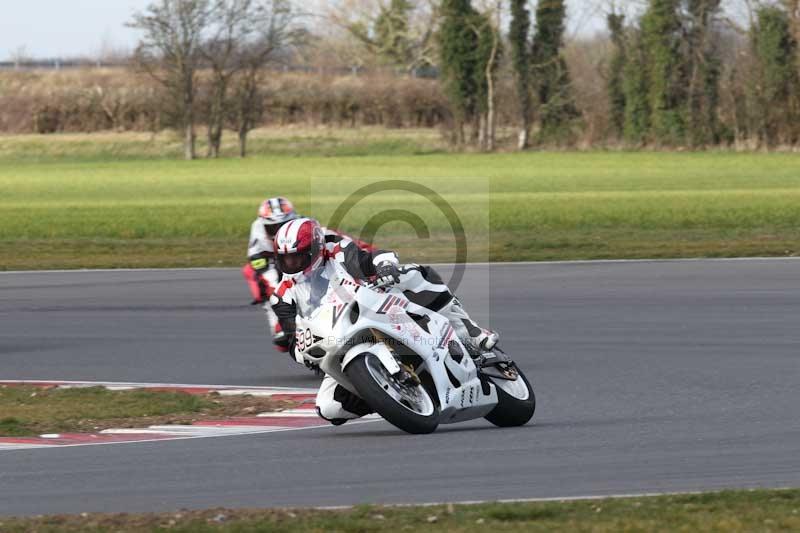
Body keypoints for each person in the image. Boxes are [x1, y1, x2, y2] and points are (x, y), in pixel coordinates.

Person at [269, 217, 499, 425]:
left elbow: (368, 258)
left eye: (297, 256)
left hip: (372, 304)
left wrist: (384, 266)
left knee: (413, 274)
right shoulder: (281, 295)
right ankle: (385, 395)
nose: (292, 262)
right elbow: (292, 337)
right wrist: (303, 353)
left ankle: (469, 331)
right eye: (285, 258)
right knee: (329, 407)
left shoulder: (335, 249)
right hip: (336, 336)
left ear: (315, 248)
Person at [241, 197, 374, 353]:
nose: (278, 231)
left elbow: (341, 243)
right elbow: (259, 265)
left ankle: (368, 271)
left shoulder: (308, 228)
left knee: (348, 249)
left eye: (282, 225)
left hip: (310, 256)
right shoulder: (258, 233)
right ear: (263, 224)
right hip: (279, 260)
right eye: (272, 228)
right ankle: (280, 323)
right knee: (258, 277)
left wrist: (372, 259)